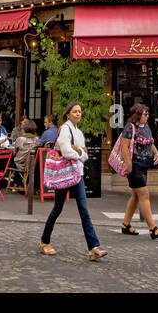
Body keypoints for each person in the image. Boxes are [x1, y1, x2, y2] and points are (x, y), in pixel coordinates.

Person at [39, 102, 105, 261]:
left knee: (84, 210)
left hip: (77, 174)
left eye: (80, 111)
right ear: (68, 114)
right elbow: (67, 152)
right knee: (58, 208)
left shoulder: (79, 133)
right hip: (64, 174)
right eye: (75, 111)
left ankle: (93, 247)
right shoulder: (65, 130)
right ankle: (44, 241)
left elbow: (85, 154)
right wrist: (78, 152)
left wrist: (78, 151)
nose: (78, 114)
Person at [118, 103, 158, 239]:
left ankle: (125, 225)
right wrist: (128, 165)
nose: (147, 116)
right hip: (134, 166)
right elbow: (124, 147)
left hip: (144, 165)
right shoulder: (130, 127)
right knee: (144, 194)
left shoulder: (146, 127)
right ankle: (153, 228)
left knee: (136, 195)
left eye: (148, 114)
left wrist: (156, 153)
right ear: (138, 115)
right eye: (145, 114)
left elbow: (150, 143)